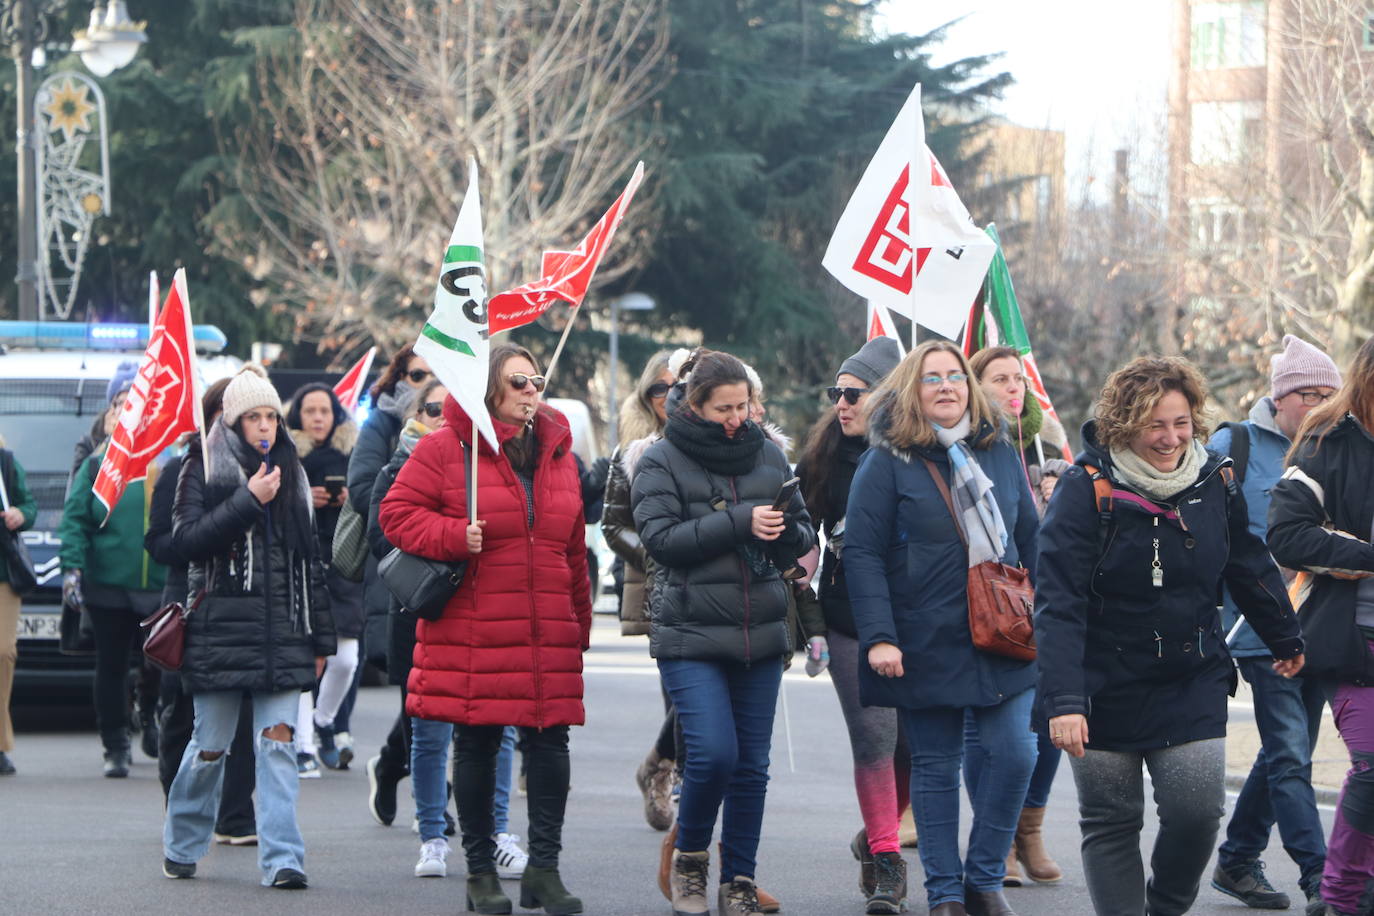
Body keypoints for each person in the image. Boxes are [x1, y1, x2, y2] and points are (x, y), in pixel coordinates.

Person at [1036, 355, 1305, 916]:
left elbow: (1247, 564)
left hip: (1191, 672)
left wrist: (1286, 636)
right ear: (1123, 424)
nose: (1170, 437)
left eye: (1181, 423)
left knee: (1197, 812)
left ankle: (1166, 906)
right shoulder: (1086, 489)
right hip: (1100, 681)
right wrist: (1064, 699)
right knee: (1112, 820)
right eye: (1155, 424)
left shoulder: (1216, 478)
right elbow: (1058, 603)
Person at [381, 343, 591, 915]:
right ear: (489, 388)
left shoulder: (559, 453)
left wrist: (579, 623)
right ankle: (480, 876)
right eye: (518, 381)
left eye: (536, 380)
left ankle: (544, 870)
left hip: (546, 626)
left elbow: (572, 550)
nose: (531, 390)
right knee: (477, 742)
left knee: (551, 746)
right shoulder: (447, 449)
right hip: (472, 626)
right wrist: (453, 535)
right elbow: (395, 513)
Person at [844, 340, 1039, 916]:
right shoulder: (886, 460)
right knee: (935, 765)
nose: (947, 387)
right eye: (932, 379)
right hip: (924, 637)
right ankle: (946, 894)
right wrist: (879, 635)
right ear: (912, 390)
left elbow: (1029, 535)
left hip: (1003, 632)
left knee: (1015, 754)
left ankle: (983, 879)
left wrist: (1046, 607)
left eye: (955, 376)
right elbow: (862, 554)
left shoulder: (999, 450)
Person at [631, 347, 815, 916]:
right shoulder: (660, 459)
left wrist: (784, 530)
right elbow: (660, 541)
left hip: (759, 629)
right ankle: (689, 858)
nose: (739, 418)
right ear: (694, 406)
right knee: (712, 754)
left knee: (751, 767)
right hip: (689, 630)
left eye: (746, 406)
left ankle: (739, 878)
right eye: (725, 409)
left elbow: (803, 531)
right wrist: (740, 521)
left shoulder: (768, 454)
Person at [162, 364, 336, 889]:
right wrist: (247, 500)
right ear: (233, 422)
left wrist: (321, 640)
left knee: (278, 744)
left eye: (271, 418)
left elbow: (310, 564)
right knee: (209, 747)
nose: (265, 427)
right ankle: (182, 843)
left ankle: (284, 858)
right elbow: (186, 541)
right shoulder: (202, 465)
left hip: (284, 634)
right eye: (253, 417)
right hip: (219, 634)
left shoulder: (293, 473)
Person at [1211, 335, 1340, 911]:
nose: (1317, 407)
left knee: (1285, 752)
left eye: (1328, 396)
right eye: (1307, 395)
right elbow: (1206, 542)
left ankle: (1237, 859)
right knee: (1291, 753)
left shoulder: (1340, 450)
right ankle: (1322, 877)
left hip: (1322, 628)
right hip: (1257, 630)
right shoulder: (1231, 444)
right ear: (1281, 396)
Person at [794, 337, 910, 915]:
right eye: (836, 393)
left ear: (889, 396)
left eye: (855, 393)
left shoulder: (919, 456)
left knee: (915, 746)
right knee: (875, 742)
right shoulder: (820, 457)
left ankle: (876, 834)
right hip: (848, 621)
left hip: (918, 620)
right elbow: (802, 543)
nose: (842, 404)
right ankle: (888, 861)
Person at [1267, 335, 1374, 916]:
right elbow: (1286, 534)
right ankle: (1341, 894)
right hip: (1354, 641)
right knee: (1369, 765)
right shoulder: (1327, 444)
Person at [966, 345, 1070, 888]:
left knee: (1048, 721)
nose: (1013, 388)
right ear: (972, 383)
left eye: (1019, 379)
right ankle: (998, 837)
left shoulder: (1045, 444)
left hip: (1034, 601)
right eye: (1000, 378)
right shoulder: (967, 445)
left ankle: (1028, 828)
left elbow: (1044, 531)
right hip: (981, 603)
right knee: (984, 732)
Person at [146, 378, 257, 845]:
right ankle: (181, 808)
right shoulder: (182, 469)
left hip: (247, 610)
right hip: (189, 606)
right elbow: (159, 543)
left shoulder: (268, 471)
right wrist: (214, 533)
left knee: (246, 714)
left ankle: (235, 816)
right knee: (183, 715)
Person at [58, 377, 167, 777]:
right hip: (107, 585)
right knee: (112, 666)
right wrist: (73, 568)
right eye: (122, 404)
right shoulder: (97, 465)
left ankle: (151, 720)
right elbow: (75, 521)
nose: (130, 410)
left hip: (157, 586)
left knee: (159, 664)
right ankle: (115, 744)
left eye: (138, 404)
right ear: (111, 414)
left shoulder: (166, 465)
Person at [602, 350, 678, 830]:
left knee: (699, 706)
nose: (669, 396)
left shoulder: (725, 439)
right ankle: (669, 777)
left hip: (724, 594)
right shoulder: (633, 451)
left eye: (678, 386)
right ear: (647, 398)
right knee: (684, 698)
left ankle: (658, 766)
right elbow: (613, 525)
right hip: (660, 592)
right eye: (658, 388)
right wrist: (660, 553)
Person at [356, 343, 429, 821]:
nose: (428, 384)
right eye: (419, 375)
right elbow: (367, 496)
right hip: (402, 584)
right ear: (400, 378)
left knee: (443, 706)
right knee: (418, 702)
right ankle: (403, 776)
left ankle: (403, 770)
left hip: (460, 590)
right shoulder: (383, 427)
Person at [286, 383, 361, 775]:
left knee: (346, 659)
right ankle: (302, 746)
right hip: (302, 564)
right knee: (304, 659)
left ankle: (324, 720)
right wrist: (303, 499)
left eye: (325, 411)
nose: (317, 418)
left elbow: (373, 501)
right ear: (297, 415)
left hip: (344, 567)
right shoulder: (286, 457)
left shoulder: (353, 454)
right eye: (310, 410)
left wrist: (353, 499)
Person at [0, 434, 37, 776]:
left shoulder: (7, 462)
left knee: (3, 652)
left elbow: (29, 507)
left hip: (3, 575)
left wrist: (18, 515)